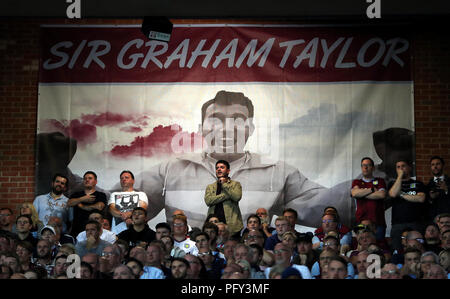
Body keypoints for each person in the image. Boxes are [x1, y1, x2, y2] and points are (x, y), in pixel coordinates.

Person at [387, 160, 426, 252]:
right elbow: (393, 193)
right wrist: (400, 176)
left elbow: (421, 198)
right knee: (397, 250)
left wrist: (401, 195)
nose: (401, 169)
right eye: (398, 167)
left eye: (403, 166)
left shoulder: (418, 184)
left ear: (409, 168)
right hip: (398, 224)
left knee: (417, 249)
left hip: (415, 223)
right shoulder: (393, 184)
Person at [204, 159, 243, 237]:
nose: (219, 169)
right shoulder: (210, 186)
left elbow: (237, 197)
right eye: (217, 168)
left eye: (222, 167)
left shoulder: (235, 184)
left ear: (228, 171)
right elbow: (208, 201)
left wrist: (224, 184)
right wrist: (227, 195)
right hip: (213, 225)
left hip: (232, 226)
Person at [351, 157, 387, 241]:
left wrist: (362, 193)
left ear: (373, 168)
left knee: (378, 248)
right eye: (363, 165)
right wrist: (371, 190)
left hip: (378, 222)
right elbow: (355, 193)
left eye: (368, 165)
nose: (365, 167)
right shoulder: (357, 182)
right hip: (361, 222)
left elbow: (381, 195)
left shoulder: (380, 181)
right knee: (362, 248)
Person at [68, 171, 107, 238]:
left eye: (90, 178)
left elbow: (99, 206)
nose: (87, 180)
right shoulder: (76, 194)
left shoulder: (101, 195)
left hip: (95, 230)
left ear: (95, 181)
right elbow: (69, 203)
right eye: (85, 178)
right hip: (77, 230)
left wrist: (82, 206)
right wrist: (82, 199)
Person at [108, 170, 148, 235]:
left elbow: (142, 208)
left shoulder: (141, 194)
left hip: (137, 230)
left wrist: (129, 214)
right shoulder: (114, 194)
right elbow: (111, 209)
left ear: (133, 180)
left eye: (126, 178)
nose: (124, 179)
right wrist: (124, 216)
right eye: (122, 178)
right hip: (117, 231)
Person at [427, 156, 450, 221]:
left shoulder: (449, 181)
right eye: (433, 164)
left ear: (443, 166)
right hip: (434, 218)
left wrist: (447, 190)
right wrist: (431, 198)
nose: (435, 167)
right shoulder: (428, 184)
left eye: (438, 164)